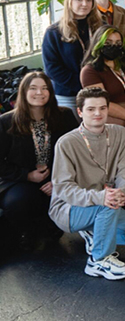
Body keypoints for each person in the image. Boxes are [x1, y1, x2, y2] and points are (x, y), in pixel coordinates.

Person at [49, 87, 125, 280]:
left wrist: (122, 191)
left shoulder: (119, 133)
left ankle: (97, 234)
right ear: (80, 112)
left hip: (107, 203)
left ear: (108, 109)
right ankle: (98, 260)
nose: (98, 113)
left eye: (102, 108)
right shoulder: (66, 143)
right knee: (106, 205)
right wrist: (101, 197)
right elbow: (63, 189)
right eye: (91, 109)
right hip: (69, 208)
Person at [0, 72, 77, 248]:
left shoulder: (65, 116)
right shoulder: (6, 122)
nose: (39, 93)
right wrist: (27, 175)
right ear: (24, 92)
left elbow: (76, 152)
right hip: (19, 179)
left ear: (51, 92)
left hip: (56, 176)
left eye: (44, 88)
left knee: (58, 196)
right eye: (33, 88)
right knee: (19, 201)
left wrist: (57, 180)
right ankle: (28, 231)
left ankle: (51, 225)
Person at [80, 25, 125, 141]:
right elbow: (101, 101)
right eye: (108, 43)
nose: (113, 46)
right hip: (113, 120)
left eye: (118, 43)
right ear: (99, 44)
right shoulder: (89, 71)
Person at [42, 0, 102, 110]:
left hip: (99, 90)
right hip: (69, 95)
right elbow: (52, 68)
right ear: (69, 2)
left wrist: (97, 84)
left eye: (89, 0)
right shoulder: (54, 32)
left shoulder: (100, 27)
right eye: (79, 0)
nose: (85, 4)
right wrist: (83, 84)